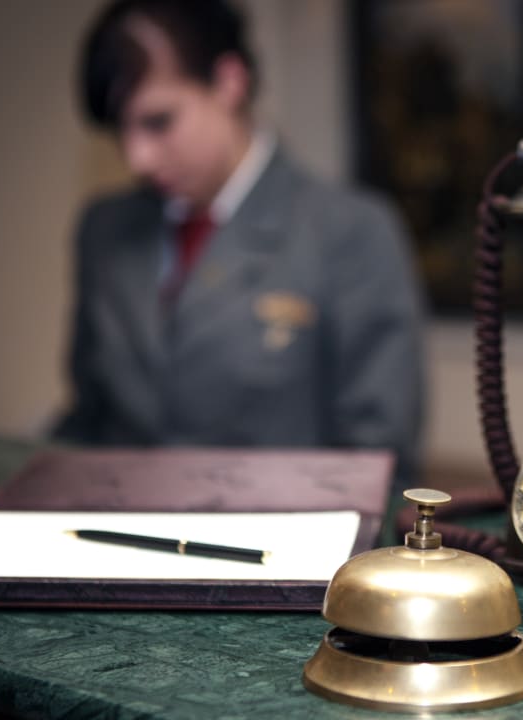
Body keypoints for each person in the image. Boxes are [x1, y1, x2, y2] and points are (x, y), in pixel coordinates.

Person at [53, 0, 425, 489]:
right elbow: (89, 418)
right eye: (121, 130)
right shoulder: (105, 229)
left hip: (281, 549)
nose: (137, 157)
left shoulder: (350, 232)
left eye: (158, 121)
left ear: (229, 82)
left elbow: (378, 460)